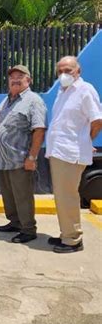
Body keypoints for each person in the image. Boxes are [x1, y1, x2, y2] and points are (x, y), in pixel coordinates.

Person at [45, 56, 102, 253]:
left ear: (78, 71)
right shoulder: (63, 91)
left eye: (68, 70)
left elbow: (97, 120)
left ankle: (73, 239)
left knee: (67, 196)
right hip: (59, 152)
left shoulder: (85, 90)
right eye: (60, 71)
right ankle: (66, 233)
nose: (63, 74)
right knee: (61, 196)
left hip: (71, 153)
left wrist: (87, 141)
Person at [0, 65, 47, 243]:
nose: (15, 79)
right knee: (9, 195)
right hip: (3, 159)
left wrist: (32, 157)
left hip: (20, 159)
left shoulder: (33, 100)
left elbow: (39, 130)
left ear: (28, 80)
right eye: (12, 76)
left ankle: (28, 229)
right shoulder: (7, 100)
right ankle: (15, 222)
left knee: (23, 196)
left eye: (20, 76)